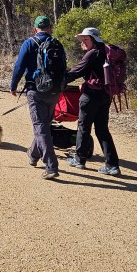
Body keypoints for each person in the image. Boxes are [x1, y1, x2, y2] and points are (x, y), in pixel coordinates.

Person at [9, 16, 61, 180]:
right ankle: (33, 154)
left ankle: (51, 166)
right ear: (50, 28)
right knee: (44, 125)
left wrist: (13, 85)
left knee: (40, 126)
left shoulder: (30, 43)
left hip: (35, 90)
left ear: (35, 29)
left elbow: (19, 66)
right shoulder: (57, 44)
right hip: (55, 91)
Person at [64, 27, 121, 176]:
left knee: (83, 126)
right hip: (105, 95)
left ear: (94, 39)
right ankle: (112, 164)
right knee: (102, 129)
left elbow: (77, 71)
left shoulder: (92, 54)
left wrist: (60, 80)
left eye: (86, 39)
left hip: (91, 95)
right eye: (82, 39)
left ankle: (79, 159)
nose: (83, 42)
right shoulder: (105, 52)